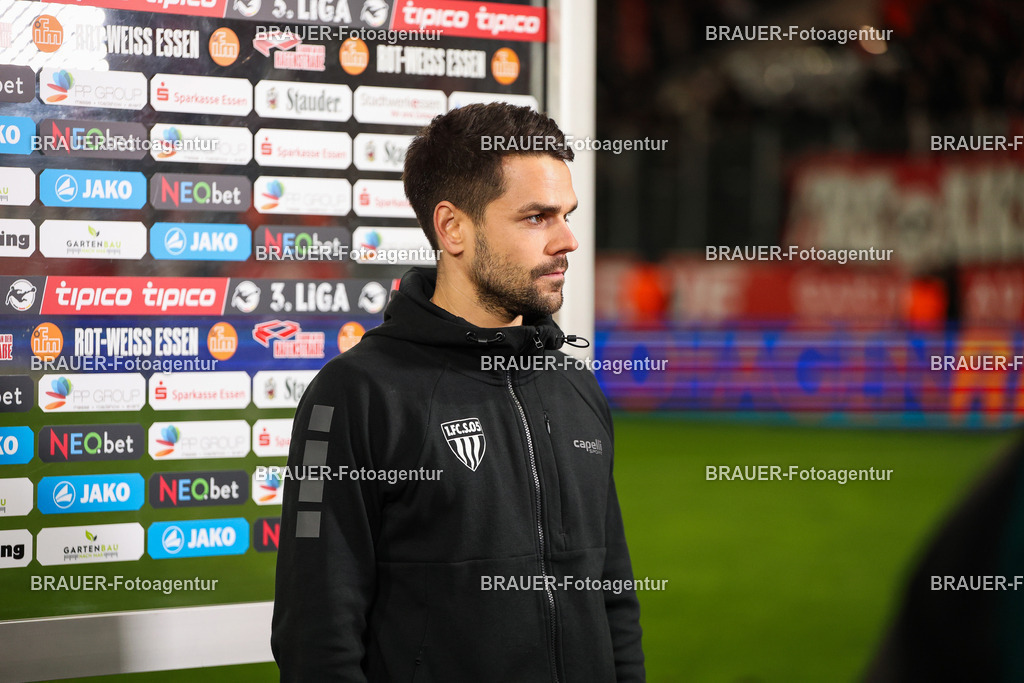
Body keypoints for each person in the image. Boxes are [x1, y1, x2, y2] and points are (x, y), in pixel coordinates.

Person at [271, 103, 645, 682]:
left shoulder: (575, 385)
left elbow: (613, 598)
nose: (568, 240)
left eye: (566, 215)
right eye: (536, 218)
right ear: (452, 228)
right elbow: (316, 634)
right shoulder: (355, 395)